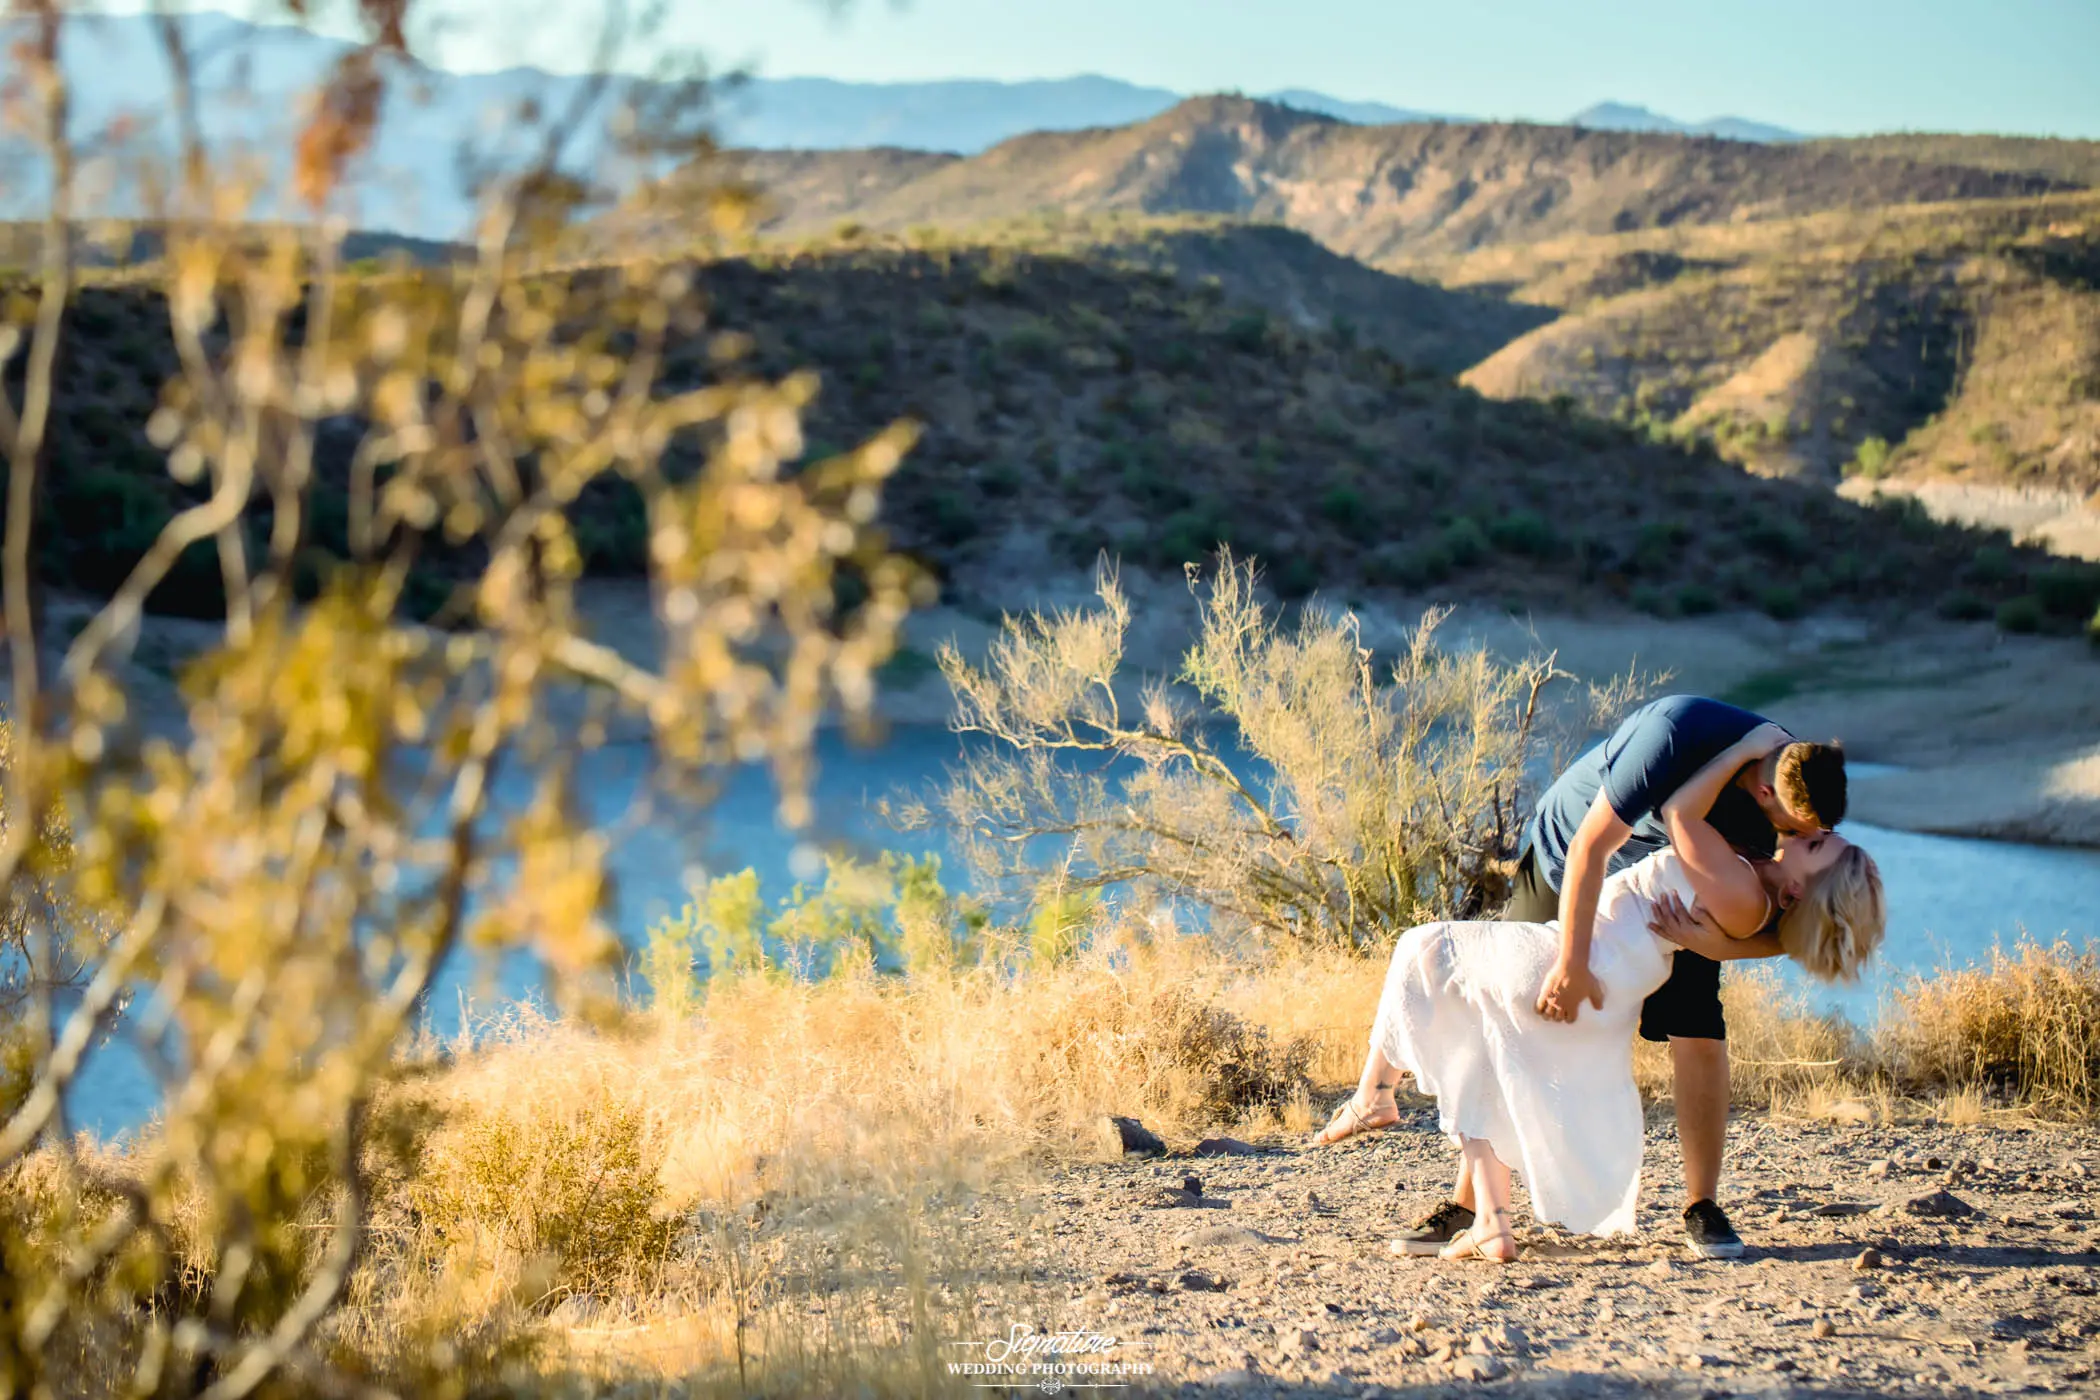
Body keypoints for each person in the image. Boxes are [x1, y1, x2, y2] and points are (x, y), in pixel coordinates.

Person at [1319, 695, 1849, 1260]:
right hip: (1570, 858)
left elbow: (1805, 912)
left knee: (1696, 1022)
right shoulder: (1673, 738)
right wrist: (1571, 964)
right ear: (1766, 792)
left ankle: (1702, 1204)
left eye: (1809, 836)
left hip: (1670, 890)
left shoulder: (1796, 776)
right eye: (1799, 831)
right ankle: (1470, 1206)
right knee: (1495, 1011)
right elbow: (1590, 848)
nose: (1791, 839)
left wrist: (1710, 941)